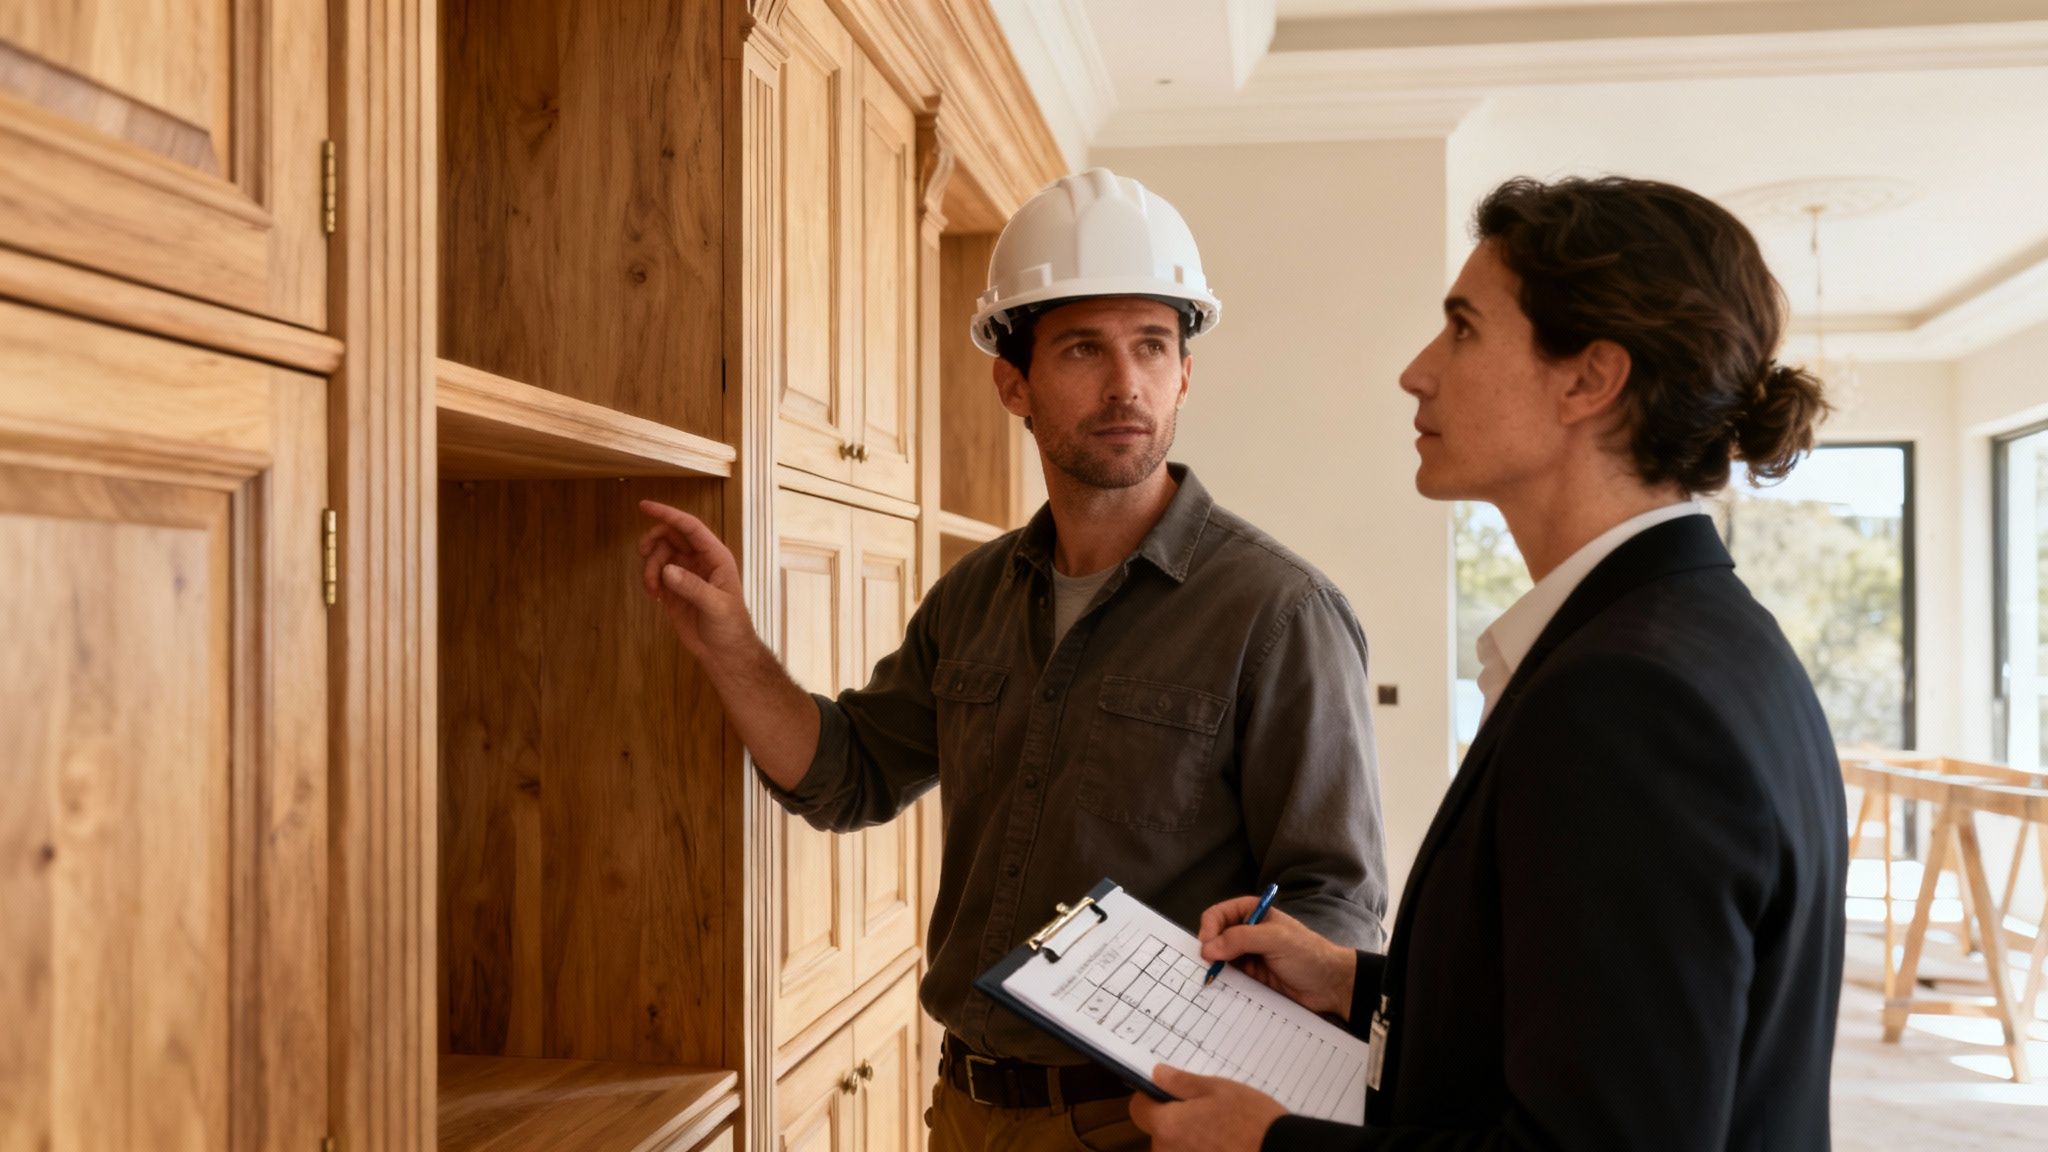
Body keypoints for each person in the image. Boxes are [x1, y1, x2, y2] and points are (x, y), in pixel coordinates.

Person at [637, 167, 1389, 1152]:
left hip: (1148, 1122)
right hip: (962, 1109)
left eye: (1152, 347)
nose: (1126, 384)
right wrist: (731, 646)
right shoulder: (974, 598)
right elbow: (847, 777)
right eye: (1083, 348)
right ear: (1013, 382)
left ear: (1184, 373)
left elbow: (1336, 905)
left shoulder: (1276, 612)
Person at [1129, 175, 1847, 1151]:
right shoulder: (1703, 637)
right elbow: (1600, 1019)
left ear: (1587, 380)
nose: (1416, 371)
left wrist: (1267, 1145)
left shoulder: (1626, 704)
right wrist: (1356, 981)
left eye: (1462, 328)